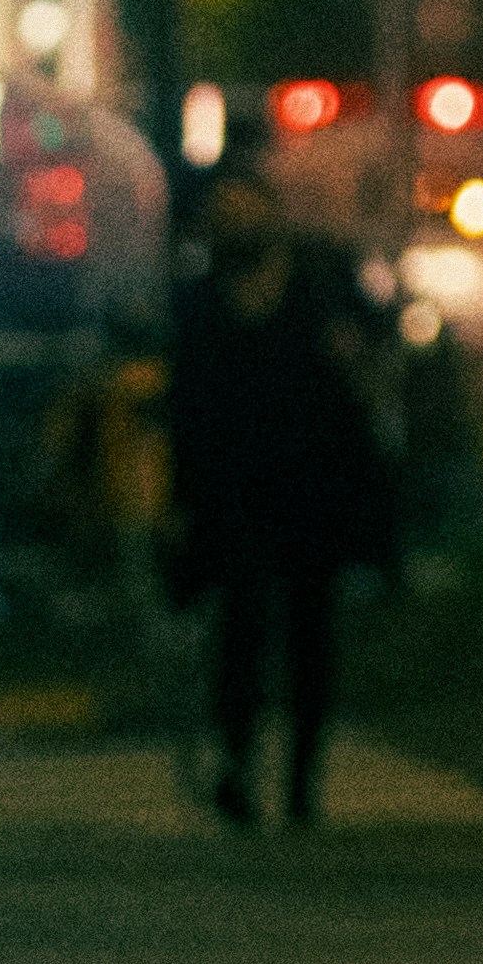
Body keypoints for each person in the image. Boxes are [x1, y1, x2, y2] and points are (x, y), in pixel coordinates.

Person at [162, 155, 396, 829]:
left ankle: (301, 779)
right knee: (239, 628)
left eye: (245, 214)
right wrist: (181, 499)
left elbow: (375, 340)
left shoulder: (319, 278)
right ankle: (238, 764)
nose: (236, 229)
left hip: (314, 481)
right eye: (222, 219)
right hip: (234, 486)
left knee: (309, 631)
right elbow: (190, 405)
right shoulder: (203, 298)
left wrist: (358, 353)